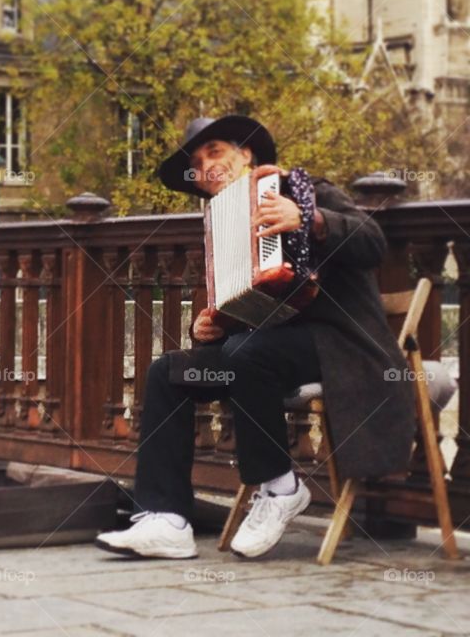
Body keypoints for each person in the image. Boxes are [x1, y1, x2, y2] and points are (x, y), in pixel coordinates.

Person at [95, 115, 414, 559]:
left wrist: (309, 219)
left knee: (247, 353)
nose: (207, 166)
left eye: (215, 152)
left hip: (341, 346)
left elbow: (373, 243)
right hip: (263, 354)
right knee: (168, 371)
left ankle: (281, 488)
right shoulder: (222, 226)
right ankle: (167, 520)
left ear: (246, 154)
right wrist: (212, 328)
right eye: (197, 164)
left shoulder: (305, 190)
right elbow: (245, 310)